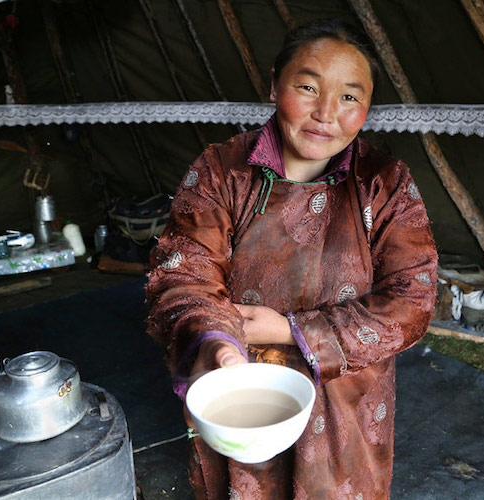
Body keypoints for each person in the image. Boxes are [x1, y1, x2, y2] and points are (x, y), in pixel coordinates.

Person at [146, 18, 438, 499]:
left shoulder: (384, 183)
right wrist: (220, 345)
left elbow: (413, 300)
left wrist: (289, 330)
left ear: (366, 106)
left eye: (349, 96)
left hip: (349, 397)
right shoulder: (222, 171)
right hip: (242, 384)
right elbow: (186, 272)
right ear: (273, 85)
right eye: (307, 86)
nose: (326, 113)